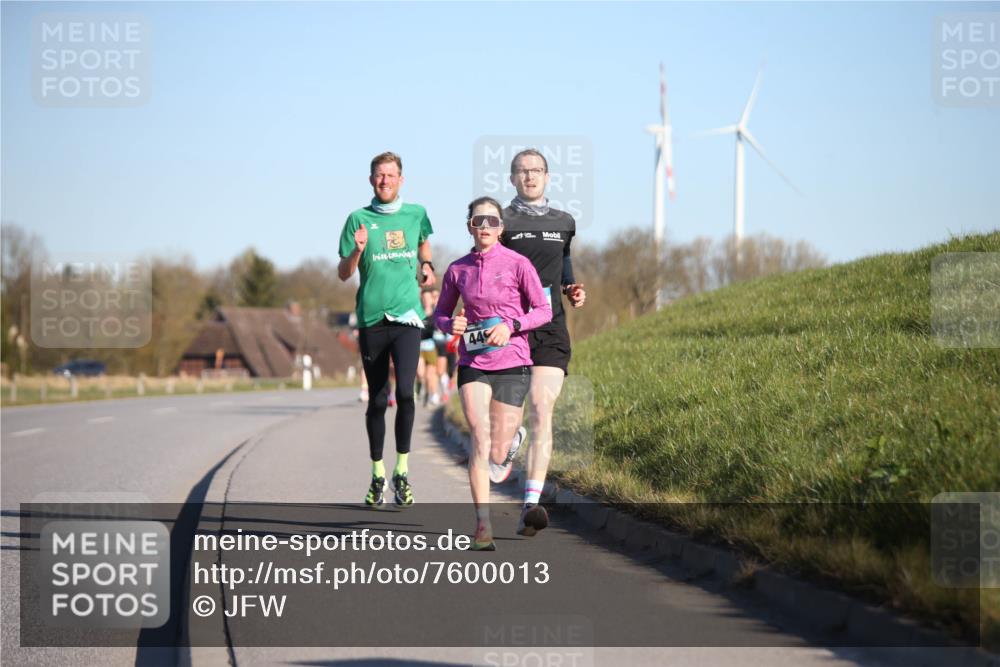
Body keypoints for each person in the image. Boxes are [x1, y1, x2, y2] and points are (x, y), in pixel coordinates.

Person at [433, 197, 552, 550]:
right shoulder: (457, 269)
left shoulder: (518, 264)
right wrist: (448, 323)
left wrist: (512, 325)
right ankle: (482, 526)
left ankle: (511, 446)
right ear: (469, 225)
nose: (484, 226)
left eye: (491, 221)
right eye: (477, 220)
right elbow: (440, 316)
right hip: (473, 361)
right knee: (480, 439)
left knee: (497, 450)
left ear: (500, 227)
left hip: (513, 360)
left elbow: (543, 310)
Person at [338, 151, 436, 507]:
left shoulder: (416, 214)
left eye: (391, 175)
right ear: (371, 180)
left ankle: (402, 471)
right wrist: (356, 253)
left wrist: (427, 265)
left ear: (401, 179)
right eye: (379, 175)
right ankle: (378, 473)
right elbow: (344, 272)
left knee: (406, 394)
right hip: (371, 318)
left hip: (407, 317)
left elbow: (424, 241)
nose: (385, 181)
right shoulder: (357, 219)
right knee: (379, 399)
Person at [500, 148, 586, 536]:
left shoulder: (564, 221)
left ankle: (530, 505)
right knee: (508, 419)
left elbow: (563, 261)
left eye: (536, 171)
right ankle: (508, 440)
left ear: (547, 177)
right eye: (522, 171)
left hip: (551, 327)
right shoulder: (501, 220)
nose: (530, 176)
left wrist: (571, 288)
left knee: (542, 407)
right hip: (511, 329)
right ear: (512, 178)